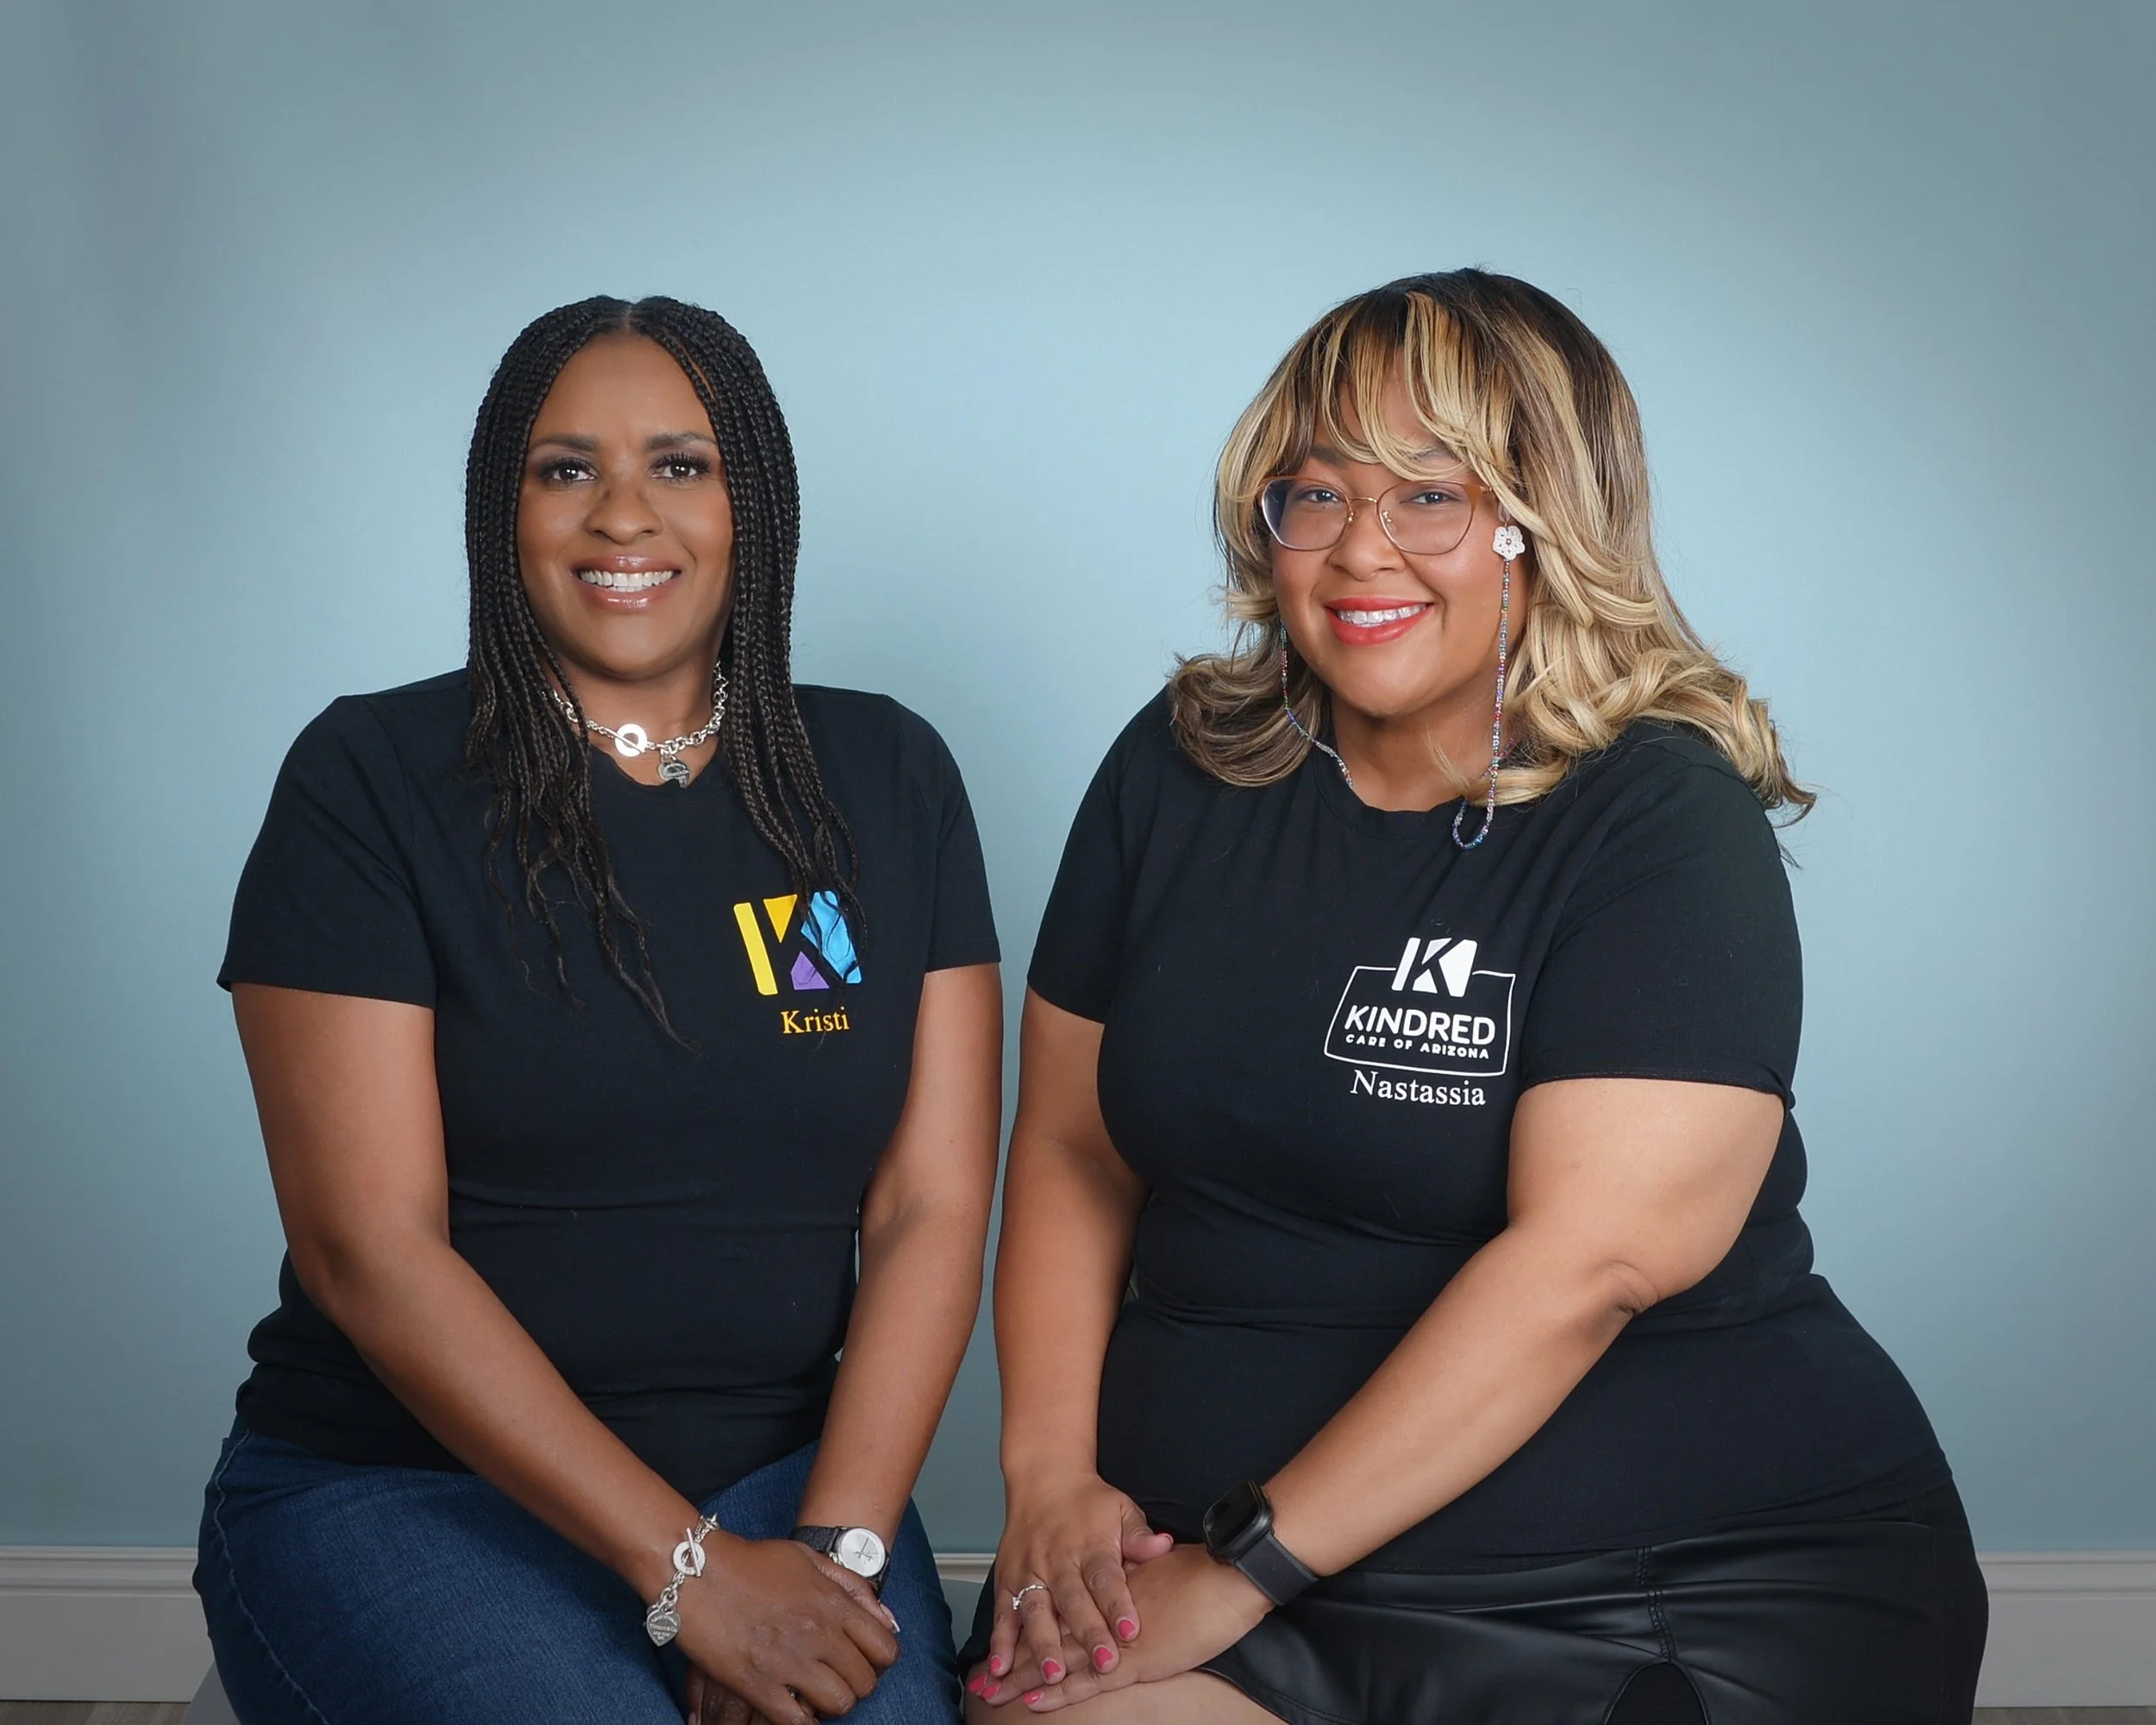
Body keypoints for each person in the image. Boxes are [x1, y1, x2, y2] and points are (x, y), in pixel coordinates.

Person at [963, 272, 1984, 1725]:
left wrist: (1238, 1573)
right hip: (1202, 1560)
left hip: (1664, 1575)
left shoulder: (1661, 817)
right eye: (1312, 496)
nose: (1359, 552)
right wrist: (1048, 1475)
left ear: (1537, 521)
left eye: (1428, 497)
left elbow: (1590, 1265)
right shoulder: (1182, 766)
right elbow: (1071, 1145)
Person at [194, 296, 1002, 1725]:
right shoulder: (367, 781)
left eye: (682, 466)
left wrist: (829, 1555)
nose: (624, 515)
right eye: (566, 469)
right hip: (412, 1488)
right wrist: (696, 1581)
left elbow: (934, 1206)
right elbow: (369, 1247)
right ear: (502, 512)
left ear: (753, 506)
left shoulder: (886, 778)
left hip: (788, 1481)